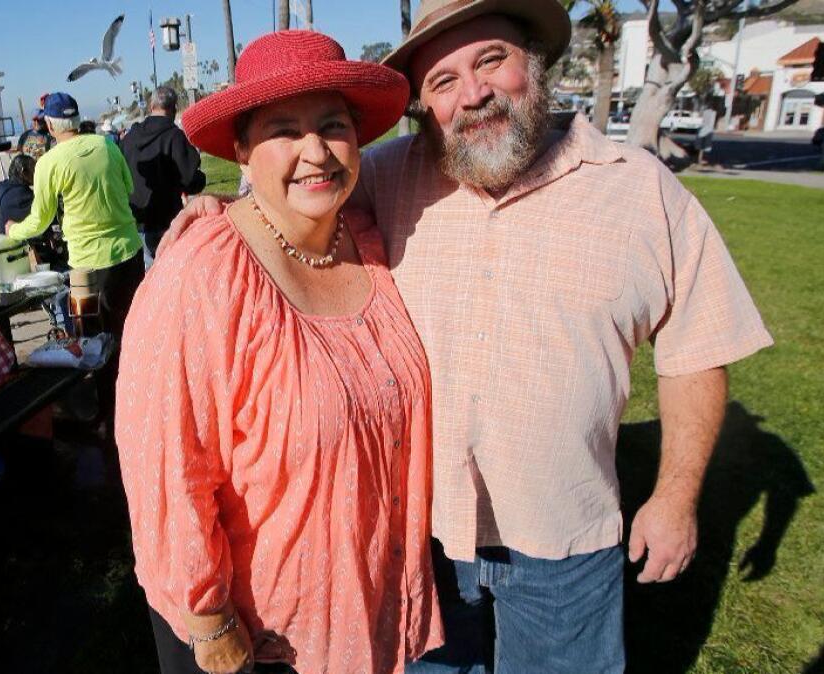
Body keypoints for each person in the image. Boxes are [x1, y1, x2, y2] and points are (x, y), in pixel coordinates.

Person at [173, 2, 774, 671]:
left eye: (491, 60)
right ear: (426, 105)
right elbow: (301, 187)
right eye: (444, 80)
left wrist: (674, 497)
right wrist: (230, 209)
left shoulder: (639, 191)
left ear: (534, 63)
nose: (474, 92)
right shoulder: (389, 176)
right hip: (414, 539)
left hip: (561, 543)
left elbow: (698, 350)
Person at [116, 31, 443, 674]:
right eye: (283, 130)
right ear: (241, 149)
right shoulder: (202, 275)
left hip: (371, 600)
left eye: (333, 125)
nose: (315, 152)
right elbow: (165, 462)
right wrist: (209, 621)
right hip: (269, 636)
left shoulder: (371, 241)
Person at [6, 92, 143, 342]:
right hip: (129, 252)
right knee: (134, 331)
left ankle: (107, 382)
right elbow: (129, 187)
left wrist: (12, 229)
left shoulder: (49, 163)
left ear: (49, 125)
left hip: (88, 264)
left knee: (94, 343)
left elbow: (40, 220)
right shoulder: (107, 145)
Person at [119, 86, 207, 269]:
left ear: (151, 106)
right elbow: (191, 180)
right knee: (168, 274)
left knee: (146, 279)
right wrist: (200, 179)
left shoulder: (129, 137)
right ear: (174, 109)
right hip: (166, 222)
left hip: (134, 223)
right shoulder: (175, 136)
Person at [0, 154, 36, 234]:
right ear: (23, 172)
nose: (36, 173)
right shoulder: (22, 195)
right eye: (33, 169)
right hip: (19, 241)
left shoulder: (6, 187)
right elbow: (38, 221)